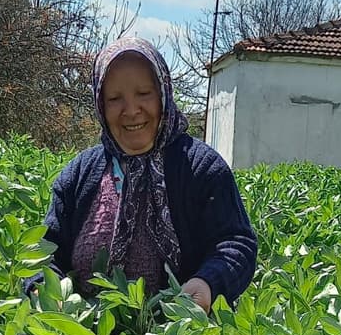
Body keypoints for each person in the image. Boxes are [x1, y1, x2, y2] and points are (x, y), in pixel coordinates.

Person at [23, 37, 256, 313]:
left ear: (163, 94)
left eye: (144, 93)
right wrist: (42, 290)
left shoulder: (202, 168)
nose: (131, 110)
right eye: (114, 98)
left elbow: (236, 243)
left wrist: (208, 284)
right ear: (100, 103)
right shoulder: (78, 176)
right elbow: (44, 254)